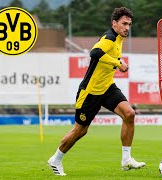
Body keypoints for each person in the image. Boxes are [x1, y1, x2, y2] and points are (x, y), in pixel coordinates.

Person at [47, 7, 145, 176]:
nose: (127, 27)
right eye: (124, 24)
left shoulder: (119, 39)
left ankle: (126, 159)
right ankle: (55, 160)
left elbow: (107, 58)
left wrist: (118, 63)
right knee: (80, 131)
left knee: (129, 114)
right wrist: (117, 63)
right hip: (90, 92)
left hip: (107, 87)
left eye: (129, 24)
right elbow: (95, 52)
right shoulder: (110, 37)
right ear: (114, 23)